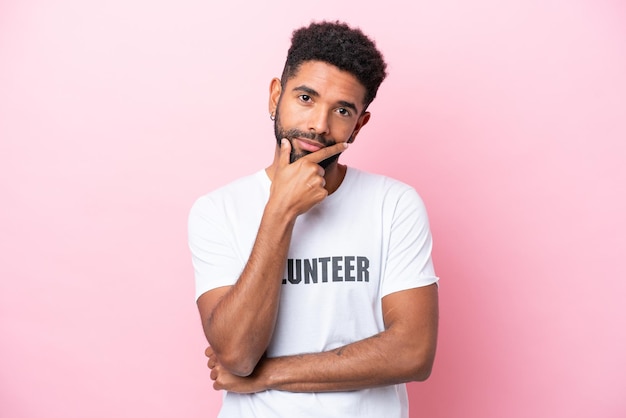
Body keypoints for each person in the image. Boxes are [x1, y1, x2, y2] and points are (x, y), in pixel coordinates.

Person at [188, 20, 439, 418]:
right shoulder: (217, 210)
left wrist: (267, 375)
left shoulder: (394, 204)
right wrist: (280, 210)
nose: (318, 125)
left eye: (341, 110)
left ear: (358, 125)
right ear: (275, 96)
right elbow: (236, 354)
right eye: (306, 97)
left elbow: (413, 352)